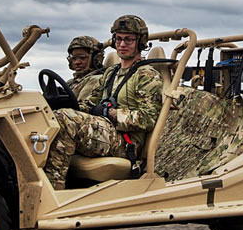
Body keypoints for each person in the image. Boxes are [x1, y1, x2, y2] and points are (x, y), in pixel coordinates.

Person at [44, 15, 163, 190]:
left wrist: (112, 113)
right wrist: (60, 105)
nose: (122, 44)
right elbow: (89, 105)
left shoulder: (146, 75)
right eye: (119, 39)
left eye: (129, 40)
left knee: (65, 119)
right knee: (48, 118)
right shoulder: (110, 74)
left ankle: (53, 190)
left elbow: (148, 118)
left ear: (140, 42)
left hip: (126, 141)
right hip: (105, 132)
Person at [65, 35, 104, 107]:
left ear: (96, 59)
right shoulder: (71, 82)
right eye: (74, 58)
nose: (77, 62)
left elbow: (80, 108)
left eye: (82, 58)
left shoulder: (96, 80)